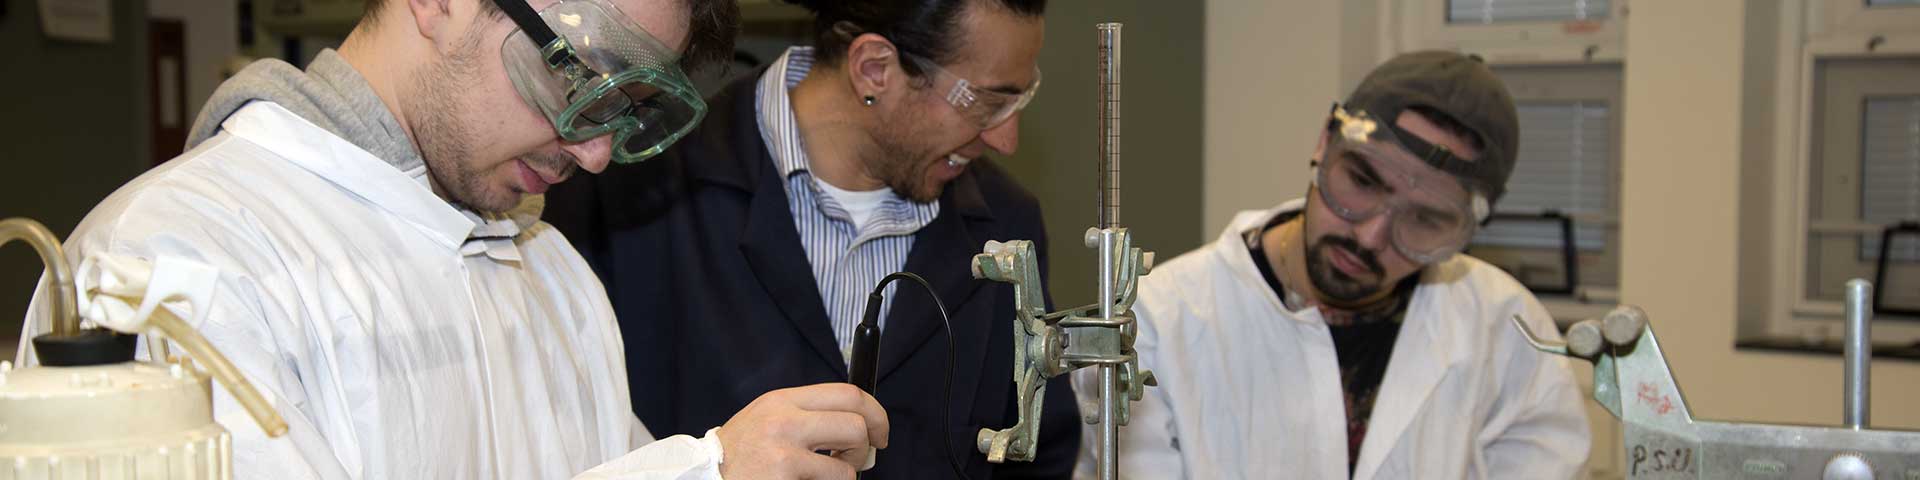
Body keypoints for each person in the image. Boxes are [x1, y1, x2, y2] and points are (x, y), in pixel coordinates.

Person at [16, 0, 895, 478]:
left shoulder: (551, 271)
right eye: (578, 81)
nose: (595, 155)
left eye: (627, 113)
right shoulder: (173, 265)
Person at [542, 0, 1078, 477]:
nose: (1005, 139)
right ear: (874, 69)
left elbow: (1037, 451)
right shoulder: (629, 195)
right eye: (986, 103)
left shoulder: (1005, 229)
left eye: (1018, 103)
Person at [1077, 51, 1591, 479]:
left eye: (1425, 219)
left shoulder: (1508, 329)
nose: (1369, 236)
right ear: (1325, 141)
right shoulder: (1159, 322)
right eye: (1363, 182)